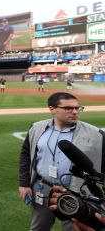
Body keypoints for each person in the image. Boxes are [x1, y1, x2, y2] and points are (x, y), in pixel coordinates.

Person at [18, 92, 105, 231]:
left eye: (78, 108)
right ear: (52, 109)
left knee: (75, 227)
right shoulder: (36, 128)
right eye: (68, 108)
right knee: (38, 227)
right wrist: (24, 183)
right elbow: (26, 155)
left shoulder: (96, 134)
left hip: (78, 191)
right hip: (43, 187)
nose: (75, 112)